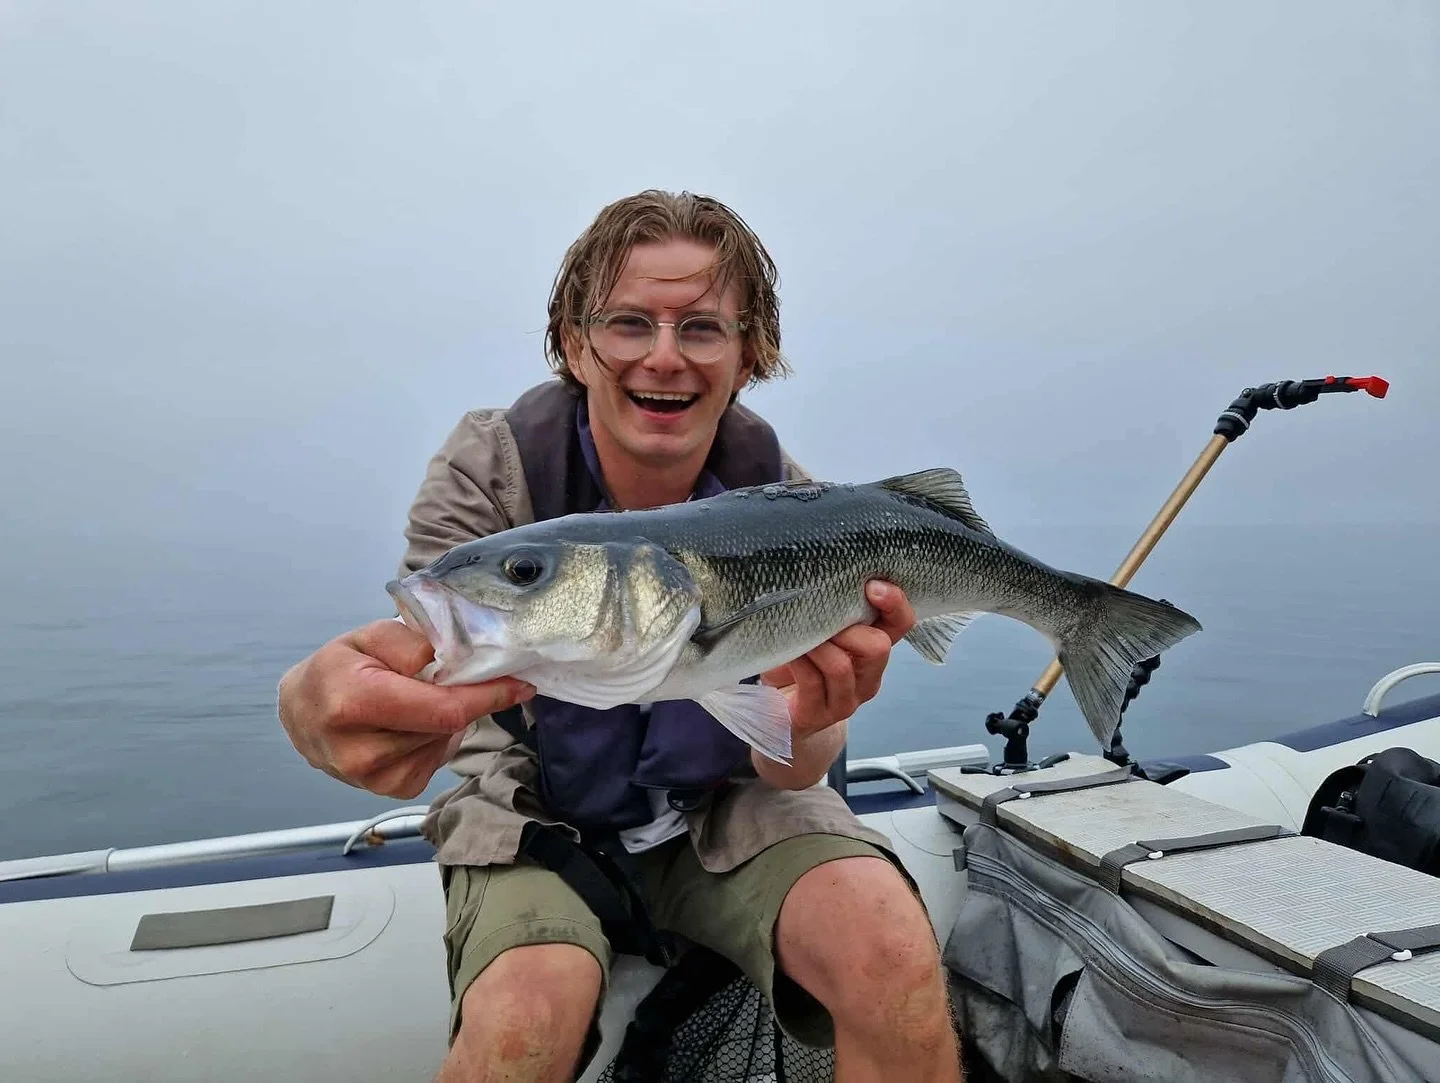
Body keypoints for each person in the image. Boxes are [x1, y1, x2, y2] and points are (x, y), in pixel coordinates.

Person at [277, 189, 964, 1083]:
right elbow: (422, 659)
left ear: (748, 354)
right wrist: (307, 706)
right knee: (524, 1019)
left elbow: (793, 762)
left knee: (890, 951)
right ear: (574, 341)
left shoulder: (797, 512)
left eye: (704, 328)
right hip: (534, 803)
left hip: (727, 795)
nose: (665, 356)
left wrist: (813, 718)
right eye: (629, 321)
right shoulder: (488, 473)